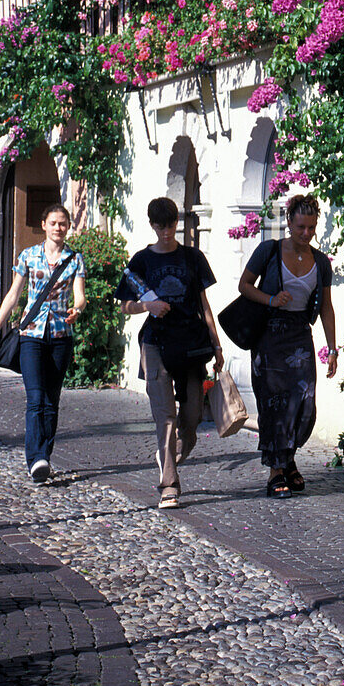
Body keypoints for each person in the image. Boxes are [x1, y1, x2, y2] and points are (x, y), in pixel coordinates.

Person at [116, 196, 223, 509]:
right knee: (165, 416)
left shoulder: (193, 258)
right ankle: (170, 487)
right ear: (152, 225)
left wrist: (217, 344)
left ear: (178, 223)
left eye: (171, 225)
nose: (166, 231)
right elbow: (125, 305)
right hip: (155, 344)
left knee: (191, 420)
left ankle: (169, 455)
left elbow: (204, 304)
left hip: (192, 345)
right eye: (160, 225)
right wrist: (147, 306)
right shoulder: (141, 261)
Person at [238, 193, 338, 498]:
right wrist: (270, 299)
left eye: (311, 227)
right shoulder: (268, 251)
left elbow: (326, 307)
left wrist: (332, 348)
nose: (306, 233)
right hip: (268, 335)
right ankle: (277, 472)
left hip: (299, 336)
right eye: (300, 227)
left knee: (304, 405)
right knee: (274, 406)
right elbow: (243, 286)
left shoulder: (320, 262)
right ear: (288, 223)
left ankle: (288, 458)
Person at [0, 203, 86, 483]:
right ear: (44, 225)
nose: (58, 228)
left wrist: (78, 308)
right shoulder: (28, 256)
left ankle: (44, 457)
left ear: (67, 227)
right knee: (36, 399)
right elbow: (13, 295)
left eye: (63, 223)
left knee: (52, 402)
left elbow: (80, 294)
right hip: (31, 335)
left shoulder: (75, 259)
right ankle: (35, 459)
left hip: (60, 337)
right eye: (53, 223)